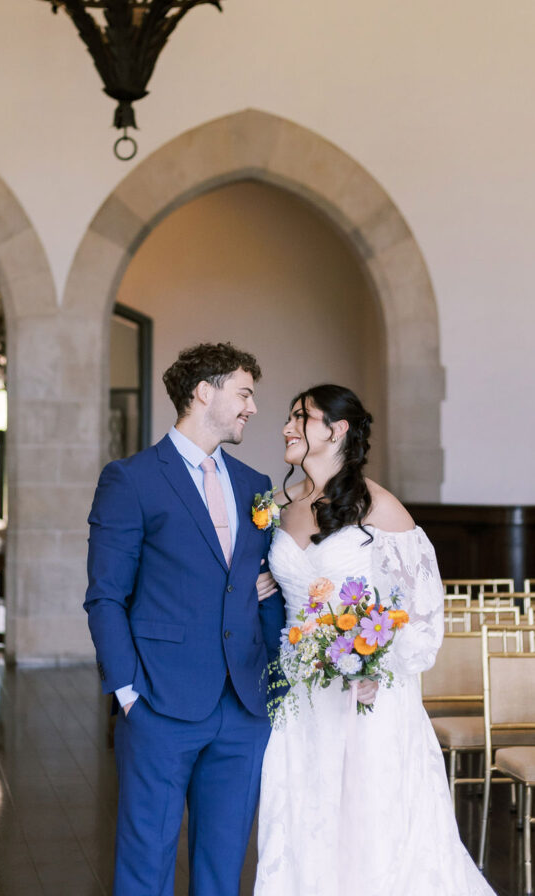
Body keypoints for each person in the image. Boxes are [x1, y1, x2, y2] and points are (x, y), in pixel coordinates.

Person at [255, 384, 495, 896]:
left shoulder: (379, 507)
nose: (286, 427)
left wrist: (373, 665)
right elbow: (276, 583)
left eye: (301, 417)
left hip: (364, 697)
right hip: (296, 692)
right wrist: (263, 583)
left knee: (368, 822)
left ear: (337, 430)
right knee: (301, 812)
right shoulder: (277, 504)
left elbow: (421, 611)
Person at [84, 342, 285, 896]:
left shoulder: (254, 485)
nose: (252, 407)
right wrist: (127, 694)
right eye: (244, 393)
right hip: (159, 702)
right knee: (145, 865)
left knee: (223, 871)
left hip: (243, 705)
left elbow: (261, 585)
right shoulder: (132, 479)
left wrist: (273, 680)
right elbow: (105, 597)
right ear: (205, 391)